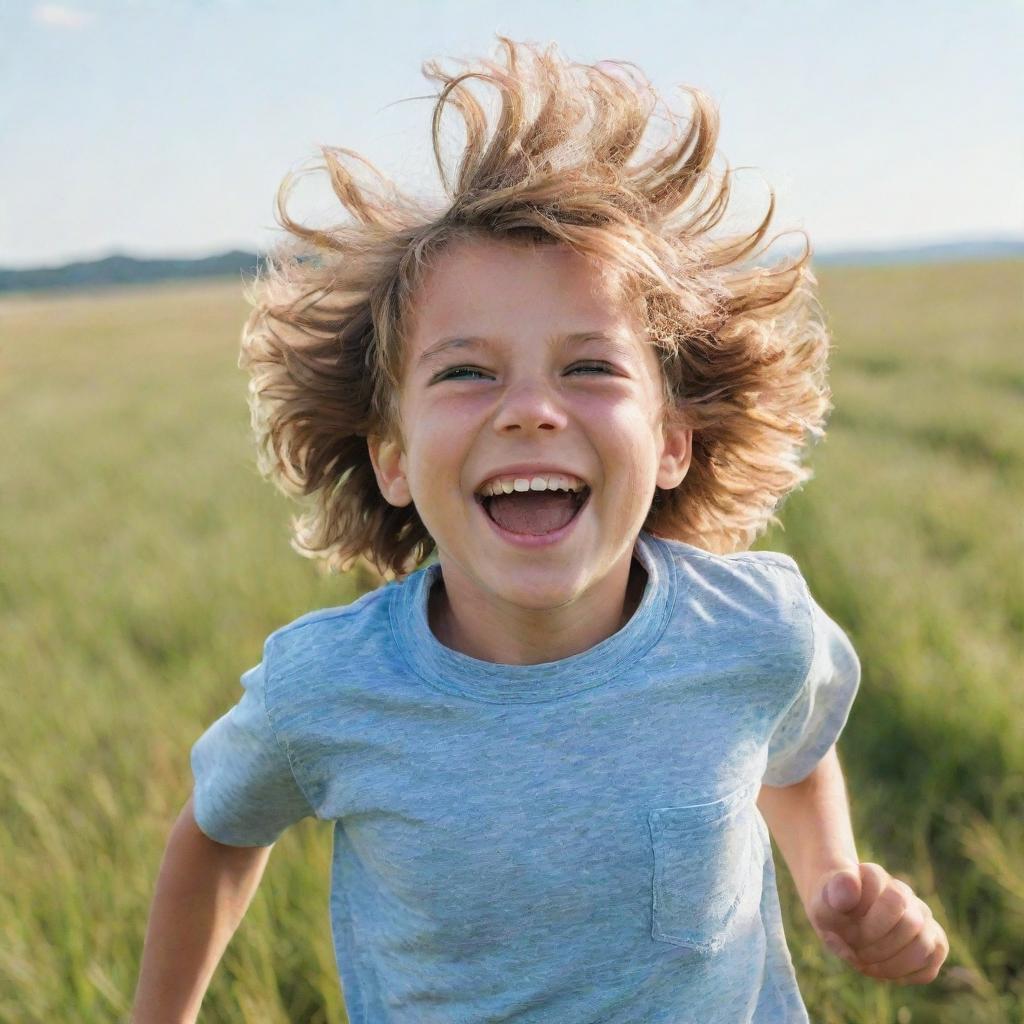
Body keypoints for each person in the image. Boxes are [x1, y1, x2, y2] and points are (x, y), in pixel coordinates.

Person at [130, 36, 948, 1024]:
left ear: (674, 440)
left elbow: (791, 737)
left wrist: (832, 878)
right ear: (391, 455)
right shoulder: (327, 692)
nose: (529, 411)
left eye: (589, 367)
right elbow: (216, 837)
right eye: (467, 372)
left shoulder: (753, 628)